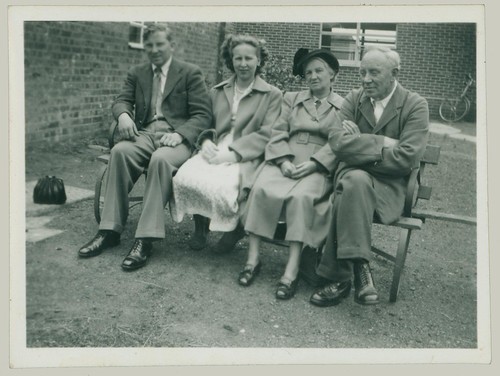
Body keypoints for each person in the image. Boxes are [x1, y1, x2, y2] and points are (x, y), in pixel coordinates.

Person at [78, 24, 212, 270]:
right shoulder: (137, 73)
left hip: (175, 139)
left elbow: (203, 115)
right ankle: (110, 230)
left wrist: (182, 134)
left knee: (160, 160)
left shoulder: (190, 72)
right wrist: (123, 116)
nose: (154, 50)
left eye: (159, 44)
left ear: (171, 45)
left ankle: (145, 238)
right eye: (149, 45)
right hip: (144, 134)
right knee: (119, 151)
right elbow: (122, 100)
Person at [310, 47, 429, 306]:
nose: (365, 79)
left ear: (394, 74)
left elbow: (406, 158)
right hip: (354, 177)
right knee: (354, 182)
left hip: (391, 187)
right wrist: (383, 142)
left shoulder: (415, 105)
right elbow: (337, 143)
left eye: (374, 72)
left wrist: (360, 145)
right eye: (362, 72)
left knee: (351, 186)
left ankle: (340, 278)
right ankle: (361, 269)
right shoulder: (355, 98)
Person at [239, 48, 344, 300]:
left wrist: (317, 164)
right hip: (285, 159)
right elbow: (277, 132)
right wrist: (283, 160)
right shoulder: (291, 98)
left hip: (317, 165)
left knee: (301, 199)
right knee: (262, 188)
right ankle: (252, 260)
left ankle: (291, 269)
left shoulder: (344, 106)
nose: (313, 76)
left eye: (319, 71)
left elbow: (340, 142)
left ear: (332, 75)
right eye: (308, 72)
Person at [171, 34, 282, 253]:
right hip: (216, 145)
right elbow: (204, 121)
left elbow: (268, 133)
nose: (243, 64)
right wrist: (204, 141)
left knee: (227, 186)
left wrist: (233, 155)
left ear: (259, 60)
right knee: (186, 176)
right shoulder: (218, 91)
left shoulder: (272, 95)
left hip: (248, 153)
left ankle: (234, 230)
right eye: (237, 58)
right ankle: (201, 226)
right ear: (230, 60)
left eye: (249, 58)